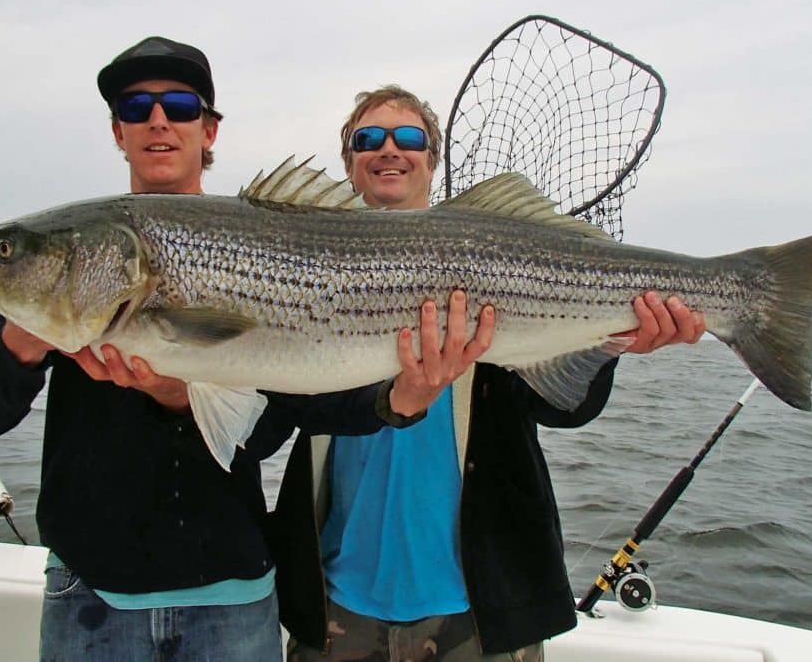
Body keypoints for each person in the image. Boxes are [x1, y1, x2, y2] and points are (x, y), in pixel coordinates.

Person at [0, 48, 493, 662]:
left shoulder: (262, 232)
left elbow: (271, 428)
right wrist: (26, 335)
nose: (158, 120)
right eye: (136, 107)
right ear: (117, 133)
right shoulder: (79, 257)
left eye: (179, 106)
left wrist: (178, 393)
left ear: (207, 130)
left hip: (230, 595)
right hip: (92, 591)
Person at [273, 85, 707, 661]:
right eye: (367, 139)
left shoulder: (488, 262)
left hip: (479, 606)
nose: (389, 150)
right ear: (349, 164)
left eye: (409, 138)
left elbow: (564, 407)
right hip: (338, 600)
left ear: (433, 158)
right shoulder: (300, 267)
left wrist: (612, 343)